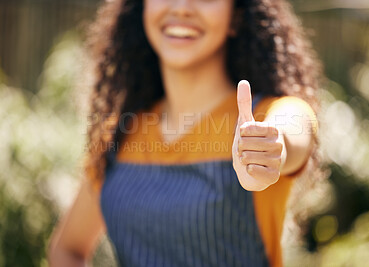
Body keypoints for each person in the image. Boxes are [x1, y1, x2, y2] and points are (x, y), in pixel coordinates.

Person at [47, 0, 323, 266]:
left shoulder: (269, 115)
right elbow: (66, 250)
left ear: (236, 16)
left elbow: (292, 129)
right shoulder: (120, 132)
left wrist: (269, 149)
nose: (181, 7)